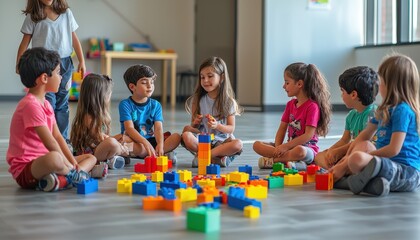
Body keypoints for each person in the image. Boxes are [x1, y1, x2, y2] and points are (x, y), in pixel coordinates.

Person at [7, 47, 96, 192]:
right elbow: (51, 142)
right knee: (55, 158)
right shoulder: (30, 105)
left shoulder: (46, 104)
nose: (61, 77)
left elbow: (57, 136)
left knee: (90, 158)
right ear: (44, 78)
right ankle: (72, 177)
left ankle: (61, 179)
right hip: (27, 168)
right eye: (58, 73)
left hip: (49, 163)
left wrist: (73, 163)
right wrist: (71, 167)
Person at [338, 54, 420, 197]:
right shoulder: (383, 110)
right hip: (381, 164)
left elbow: (394, 149)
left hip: (406, 172)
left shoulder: (402, 110)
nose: (378, 86)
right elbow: (362, 137)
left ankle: (345, 182)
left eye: (381, 82)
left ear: (391, 85)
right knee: (357, 155)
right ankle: (373, 185)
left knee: (358, 159)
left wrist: (363, 157)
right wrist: (344, 161)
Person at [16, 0, 86, 142]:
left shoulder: (66, 13)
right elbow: (25, 42)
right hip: (45, 66)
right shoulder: (33, 16)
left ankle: (63, 139)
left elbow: (74, 38)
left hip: (65, 64)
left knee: (63, 103)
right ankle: (47, 140)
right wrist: (19, 64)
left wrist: (82, 60)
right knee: (48, 102)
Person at [254, 62, 331, 170]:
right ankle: (288, 161)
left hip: (306, 149)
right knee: (257, 145)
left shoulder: (312, 106)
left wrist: (285, 147)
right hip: (289, 149)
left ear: (299, 84)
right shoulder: (290, 105)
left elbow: (308, 135)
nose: (283, 86)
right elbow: (282, 128)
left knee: (300, 151)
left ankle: (274, 161)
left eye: (287, 82)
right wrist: (278, 147)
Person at [314, 66, 378, 182]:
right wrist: (331, 151)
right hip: (349, 153)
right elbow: (344, 140)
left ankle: (341, 173)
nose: (341, 95)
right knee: (319, 156)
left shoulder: (372, 114)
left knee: (356, 158)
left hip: (364, 155)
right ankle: (339, 171)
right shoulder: (351, 115)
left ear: (353, 94)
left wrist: (339, 152)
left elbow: (366, 143)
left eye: (342, 91)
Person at [181, 56, 243, 167]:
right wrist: (195, 123)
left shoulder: (228, 102)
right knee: (186, 134)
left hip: (221, 142)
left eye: (210, 76)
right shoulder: (197, 100)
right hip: (203, 140)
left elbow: (231, 128)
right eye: (202, 77)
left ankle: (206, 156)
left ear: (222, 77)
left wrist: (217, 125)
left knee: (238, 143)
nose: (205, 80)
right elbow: (193, 127)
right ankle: (216, 159)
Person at [118, 64, 181, 163]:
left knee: (176, 137)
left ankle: (156, 152)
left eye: (152, 82)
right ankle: (158, 153)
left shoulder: (156, 105)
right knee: (124, 140)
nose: (149, 86)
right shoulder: (125, 104)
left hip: (151, 140)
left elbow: (158, 128)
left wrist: (160, 144)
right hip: (135, 141)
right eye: (144, 82)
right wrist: (145, 143)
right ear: (132, 87)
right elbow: (129, 129)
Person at [70, 74, 129, 178]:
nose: (110, 96)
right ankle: (112, 158)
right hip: (90, 155)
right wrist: (120, 147)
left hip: (98, 149)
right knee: (113, 143)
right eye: (109, 94)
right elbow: (100, 138)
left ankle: (113, 156)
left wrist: (119, 139)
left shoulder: (100, 114)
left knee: (121, 138)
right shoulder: (88, 117)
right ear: (100, 96)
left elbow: (103, 139)